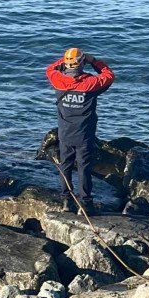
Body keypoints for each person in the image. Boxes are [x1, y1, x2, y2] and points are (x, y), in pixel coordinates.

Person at [46, 47, 114, 215]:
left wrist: (64, 61)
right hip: (84, 133)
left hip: (65, 132)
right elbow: (108, 75)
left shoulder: (57, 81)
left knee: (65, 165)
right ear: (82, 63)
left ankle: (67, 201)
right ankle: (85, 204)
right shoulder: (90, 84)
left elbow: (51, 69)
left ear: (66, 64)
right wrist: (93, 60)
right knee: (84, 168)